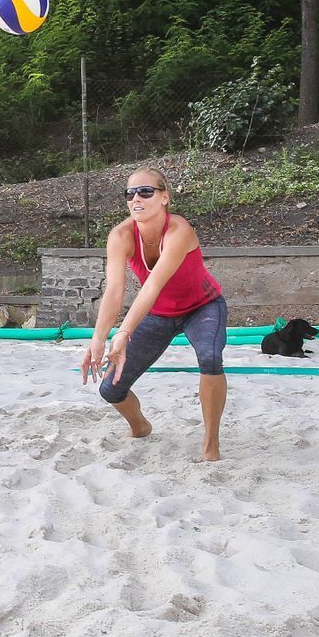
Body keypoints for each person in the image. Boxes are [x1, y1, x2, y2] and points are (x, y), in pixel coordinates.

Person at [81, 168, 226, 461]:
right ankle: (140, 426)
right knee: (110, 389)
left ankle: (211, 444)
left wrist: (122, 333)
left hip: (203, 306)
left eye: (145, 192)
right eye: (129, 193)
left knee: (210, 358)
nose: (136, 198)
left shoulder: (179, 230)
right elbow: (114, 292)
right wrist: (98, 338)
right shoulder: (121, 235)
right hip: (160, 313)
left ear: (164, 198)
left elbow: (153, 285)